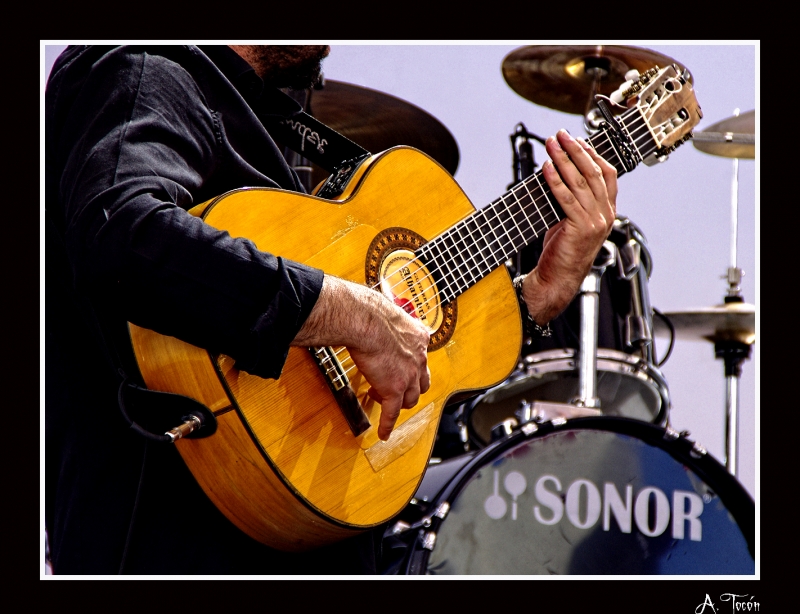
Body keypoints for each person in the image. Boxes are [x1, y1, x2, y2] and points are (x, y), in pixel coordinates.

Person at [45, 44, 617, 575]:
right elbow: (120, 234)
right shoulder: (149, 66)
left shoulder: (256, 123)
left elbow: (397, 393)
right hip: (168, 542)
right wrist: (353, 314)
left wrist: (540, 294)